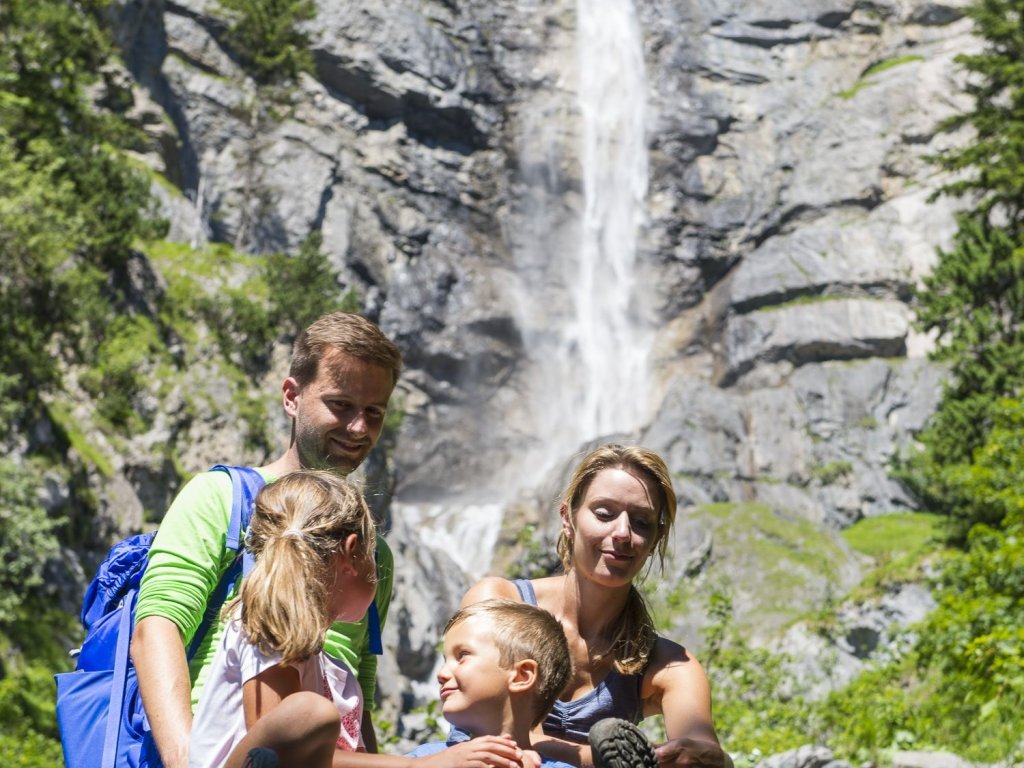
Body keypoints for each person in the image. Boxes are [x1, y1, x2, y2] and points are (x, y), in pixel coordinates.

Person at [133, 312, 403, 768]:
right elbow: (156, 629)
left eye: (373, 412)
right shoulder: (223, 498)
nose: (358, 428)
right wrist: (182, 760)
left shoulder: (372, 550)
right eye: (340, 405)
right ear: (292, 396)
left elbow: (360, 688)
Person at [459, 445, 733, 768]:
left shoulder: (671, 666)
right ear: (567, 518)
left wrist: (709, 760)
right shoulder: (499, 602)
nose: (622, 533)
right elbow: (495, 731)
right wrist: (609, 760)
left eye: (641, 522)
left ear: (657, 537)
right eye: (604, 514)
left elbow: (704, 755)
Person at [190, 470, 380, 768]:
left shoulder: (329, 666)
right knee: (309, 713)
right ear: (351, 552)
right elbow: (278, 749)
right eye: (373, 555)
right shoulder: (267, 622)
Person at [406, 600, 576, 768]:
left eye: (462, 655)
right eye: (445, 660)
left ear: (521, 676)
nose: (441, 674)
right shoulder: (427, 759)